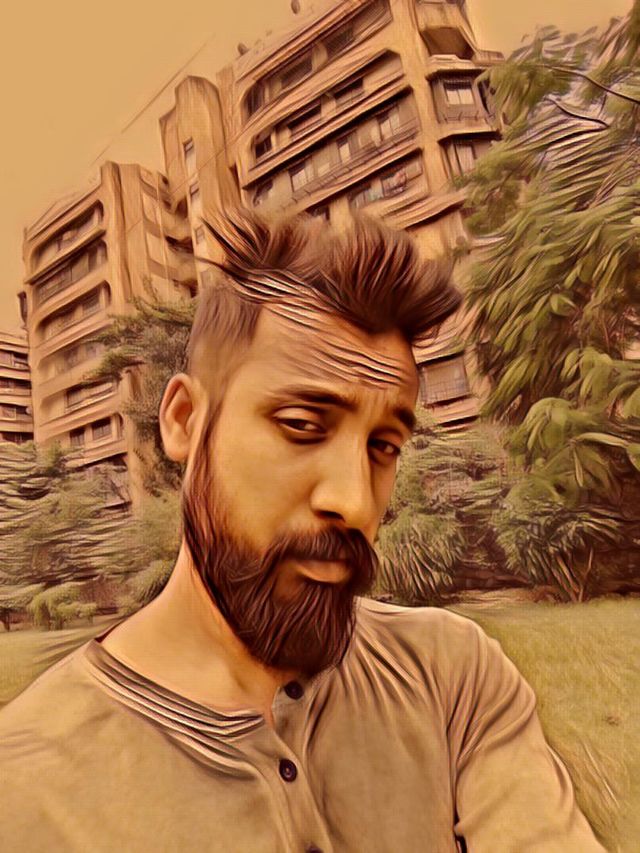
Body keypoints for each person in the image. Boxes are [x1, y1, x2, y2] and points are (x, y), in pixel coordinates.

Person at [0, 208, 605, 852]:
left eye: (383, 446)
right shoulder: (26, 790)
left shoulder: (450, 673)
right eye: (301, 426)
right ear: (183, 422)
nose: (355, 502)